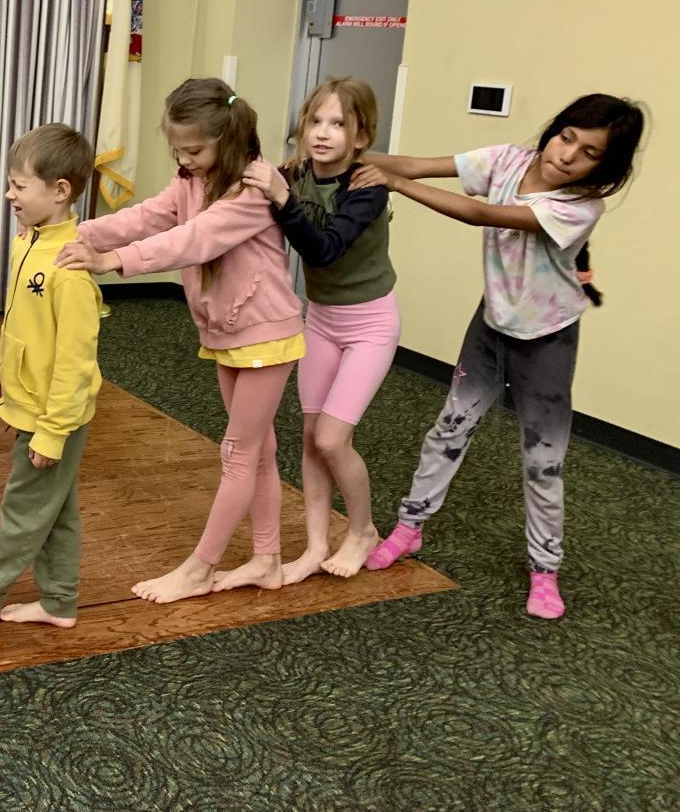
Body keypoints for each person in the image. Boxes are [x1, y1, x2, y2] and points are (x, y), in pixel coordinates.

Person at [358, 93, 645, 619]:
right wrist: (346, 157)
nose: (566, 155)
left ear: (605, 167)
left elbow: (479, 213)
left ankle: (544, 569)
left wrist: (396, 185)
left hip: (547, 341)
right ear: (554, 129)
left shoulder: (580, 206)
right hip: (490, 325)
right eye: (566, 137)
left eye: (589, 152)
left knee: (543, 461)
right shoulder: (509, 160)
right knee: (450, 428)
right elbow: (419, 163)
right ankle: (409, 527)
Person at [59, 79, 304, 603]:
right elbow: (146, 216)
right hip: (227, 331)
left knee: (238, 453)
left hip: (267, 333)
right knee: (258, 450)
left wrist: (113, 261)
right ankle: (267, 559)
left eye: (193, 150)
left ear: (228, 137)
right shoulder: (191, 181)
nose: (184, 159)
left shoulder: (252, 191)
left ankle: (200, 567)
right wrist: (76, 235)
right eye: (177, 150)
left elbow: (192, 240)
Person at [0, 124, 102, 637]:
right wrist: (5, 374)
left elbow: (74, 363)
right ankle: (59, 601)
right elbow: (24, 325)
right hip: (29, 402)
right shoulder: (28, 242)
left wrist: (52, 432)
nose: (8, 194)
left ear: (59, 191)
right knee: (57, 510)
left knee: (25, 509)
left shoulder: (70, 269)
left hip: (54, 418)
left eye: (19, 185)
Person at [243, 77, 398, 582]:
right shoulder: (296, 173)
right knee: (311, 437)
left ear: (361, 136)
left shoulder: (366, 187)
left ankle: (362, 530)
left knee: (333, 439)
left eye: (338, 124)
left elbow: (324, 249)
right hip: (323, 320)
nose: (323, 133)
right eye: (315, 121)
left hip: (370, 324)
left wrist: (281, 197)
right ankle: (314, 547)